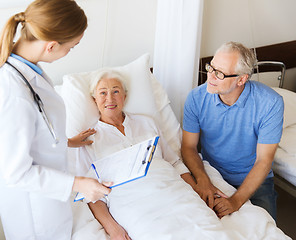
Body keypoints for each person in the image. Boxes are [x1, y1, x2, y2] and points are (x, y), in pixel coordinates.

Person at [0, 0, 111, 239]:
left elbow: (32, 131)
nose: (69, 52)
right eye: (72, 47)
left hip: (50, 206)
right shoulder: (10, 91)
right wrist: (79, 183)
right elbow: (17, 173)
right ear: (51, 46)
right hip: (35, 218)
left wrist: (67, 141)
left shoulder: (23, 70)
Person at [75, 69, 241, 240]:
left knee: (210, 231)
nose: (110, 98)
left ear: (124, 96)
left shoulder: (147, 122)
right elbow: (90, 194)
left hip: (174, 192)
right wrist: (113, 229)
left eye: (116, 91)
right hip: (135, 204)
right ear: (94, 99)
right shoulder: (88, 139)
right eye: (103, 93)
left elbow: (175, 162)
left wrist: (196, 189)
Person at [181, 41, 284, 220]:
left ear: (241, 79)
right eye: (211, 67)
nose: (210, 77)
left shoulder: (271, 103)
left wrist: (236, 201)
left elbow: (264, 160)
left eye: (219, 73)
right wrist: (203, 179)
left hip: (255, 180)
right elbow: (189, 147)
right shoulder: (196, 98)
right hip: (212, 173)